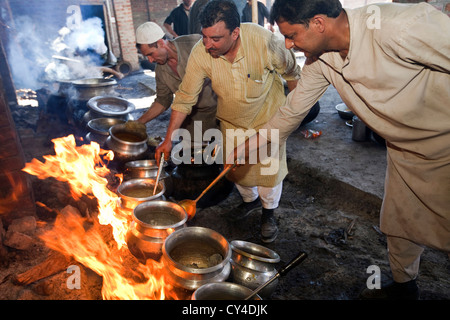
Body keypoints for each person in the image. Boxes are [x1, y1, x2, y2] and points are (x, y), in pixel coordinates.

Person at [230, 0, 450, 299]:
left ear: (318, 23)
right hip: (403, 151)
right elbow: (291, 111)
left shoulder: (400, 27)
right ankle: (404, 287)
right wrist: (250, 145)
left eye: (292, 35)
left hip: (445, 146)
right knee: (399, 223)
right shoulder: (322, 59)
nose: (288, 44)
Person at [155, 0, 301, 243]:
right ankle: (249, 201)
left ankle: (268, 213)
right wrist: (169, 139)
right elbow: (184, 97)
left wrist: (292, 117)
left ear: (235, 33)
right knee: (236, 172)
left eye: (216, 38)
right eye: (204, 36)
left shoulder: (266, 42)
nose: (207, 44)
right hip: (231, 122)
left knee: (268, 175)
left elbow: (293, 76)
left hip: (267, 122)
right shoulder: (201, 53)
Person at [134, 22, 218, 140]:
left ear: (160, 43)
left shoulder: (194, 44)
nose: (150, 60)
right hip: (190, 119)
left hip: (219, 112)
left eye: (151, 54)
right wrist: (139, 122)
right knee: (194, 155)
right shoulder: (161, 71)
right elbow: (163, 101)